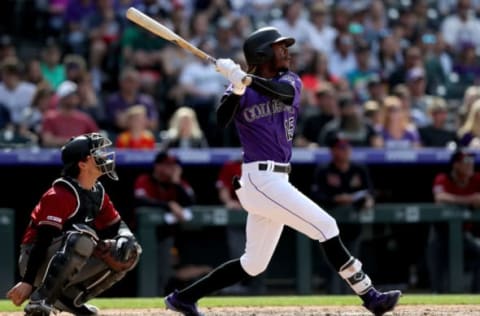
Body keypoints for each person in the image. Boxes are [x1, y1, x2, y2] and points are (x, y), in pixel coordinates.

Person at [164, 26, 401, 316]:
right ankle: (370, 296)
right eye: (279, 48)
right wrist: (237, 87)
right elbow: (220, 121)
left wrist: (246, 79)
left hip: (274, 179)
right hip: (259, 178)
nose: (286, 51)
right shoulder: (240, 89)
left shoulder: (290, 80)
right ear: (262, 53)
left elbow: (283, 94)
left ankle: (183, 298)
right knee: (327, 227)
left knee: (253, 264)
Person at [6, 132, 142, 315]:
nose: (103, 157)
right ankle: (41, 299)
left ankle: (71, 299)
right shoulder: (60, 194)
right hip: (34, 259)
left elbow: (117, 225)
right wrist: (28, 282)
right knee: (83, 237)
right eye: (96, 153)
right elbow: (42, 240)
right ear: (82, 163)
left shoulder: (97, 191)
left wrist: (126, 236)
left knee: (129, 251)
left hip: (67, 255)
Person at [311, 134, 375, 294]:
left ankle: (351, 296)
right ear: (333, 151)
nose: (345, 151)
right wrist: (336, 199)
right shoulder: (324, 170)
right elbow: (316, 195)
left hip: (353, 224)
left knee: (353, 263)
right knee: (332, 263)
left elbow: (369, 191)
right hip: (330, 225)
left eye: (347, 147)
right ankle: (333, 295)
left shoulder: (359, 169)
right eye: (341, 148)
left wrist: (369, 200)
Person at [133, 151, 196, 295]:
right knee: (142, 271)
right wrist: (168, 205)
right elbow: (140, 200)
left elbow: (191, 202)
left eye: (173, 165)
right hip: (141, 236)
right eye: (167, 165)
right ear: (157, 166)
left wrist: (177, 182)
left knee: (163, 273)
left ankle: (155, 306)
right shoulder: (145, 180)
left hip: (166, 236)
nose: (171, 169)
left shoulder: (177, 183)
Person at [428, 148, 480, 293]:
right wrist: (470, 199)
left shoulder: (477, 178)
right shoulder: (443, 178)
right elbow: (440, 198)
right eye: (466, 161)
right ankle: (435, 294)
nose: (470, 165)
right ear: (456, 164)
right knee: (435, 252)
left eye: (471, 161)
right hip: (442, 234)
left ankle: (477, 295)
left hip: (465, 234)